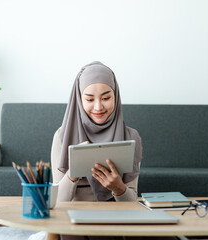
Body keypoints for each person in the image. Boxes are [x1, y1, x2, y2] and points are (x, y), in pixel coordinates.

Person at [51, 61, 142, 203]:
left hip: (115, 218)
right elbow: (56, 201)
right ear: (79, 100)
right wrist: (73, 173)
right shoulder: (62, 136)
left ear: (115, 97)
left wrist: (119, 188)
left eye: (106, 98)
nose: (98, 107)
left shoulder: (131, 137)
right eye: (89, 99)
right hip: (72, 218)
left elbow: (132, 202)